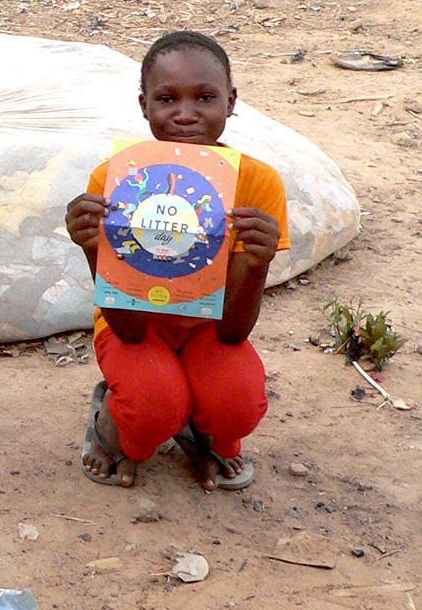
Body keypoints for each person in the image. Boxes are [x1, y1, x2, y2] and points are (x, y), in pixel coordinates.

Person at [65, 31, 288, 490]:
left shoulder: (258, 183)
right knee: (151, 407)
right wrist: (92, 247)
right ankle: (118, 429)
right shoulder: (116, 178)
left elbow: (233, 332)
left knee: (238, 403)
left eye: (204, 97)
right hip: (135, 323)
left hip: (214, 326)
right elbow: (127, 329)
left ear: (231, 101)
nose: (186, 114)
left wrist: (259, 261)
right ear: (144, 104)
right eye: (168, 99)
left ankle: (205, 433)